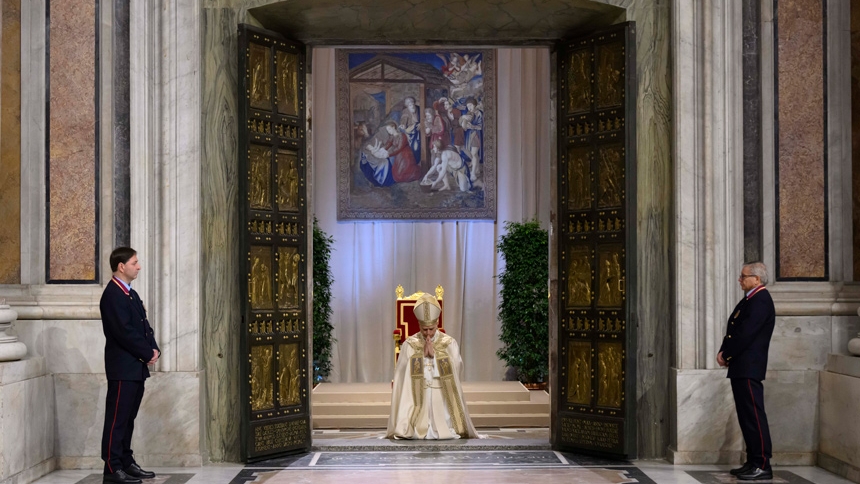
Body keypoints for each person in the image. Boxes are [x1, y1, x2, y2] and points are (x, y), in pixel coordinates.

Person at [99, 247, 160, 484]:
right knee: (117, 419)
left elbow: (144, 327)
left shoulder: (130, 294)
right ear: (121, 266)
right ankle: (113, 468)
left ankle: (125, 461)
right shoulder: (112, 295)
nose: (139, 266)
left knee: (128, 418)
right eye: (135, 262)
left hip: (135, 367)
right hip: (122, 368)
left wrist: (154, 349)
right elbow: (124, 332)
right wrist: (147, 353)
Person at [386, 293, 480, 439]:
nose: (428, 333)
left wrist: (435, 356)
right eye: (424, 329)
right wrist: (421, 356)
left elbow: (457, 366)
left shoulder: (449, 342)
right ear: (419, 325)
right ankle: (413, 428)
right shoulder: (410, 344)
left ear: (437, 324)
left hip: (441, 390)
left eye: (431, 329)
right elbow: (401, 372)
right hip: (418, 392)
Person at [717, 262, 775, 481]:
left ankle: (762, 464)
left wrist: (727, 354)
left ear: (757, 279)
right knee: (746, 416)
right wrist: (726, 351)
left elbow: (745, 334)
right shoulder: (751, 299)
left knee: (753, 416)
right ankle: (752, 461)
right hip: (742, 366)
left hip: (749, 366)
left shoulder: (761, 300)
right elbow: (736, 328)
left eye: (743, 276)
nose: (740, 279)